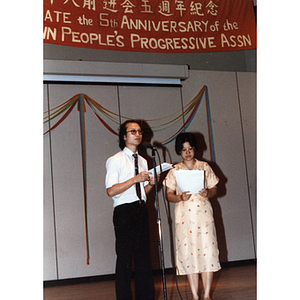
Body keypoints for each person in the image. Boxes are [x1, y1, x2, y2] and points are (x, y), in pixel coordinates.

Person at [164, 132, 221, 300]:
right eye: (183, 150)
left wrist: (207, 192)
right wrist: (180, 197)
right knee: (189, 253)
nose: (187, 153)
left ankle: (207, 295)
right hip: (185, 217)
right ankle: (195, 296)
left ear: (195, 149)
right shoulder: (175, 170)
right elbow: (168, 194)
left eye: (190, 149)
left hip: (203, 215)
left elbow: (215, 188)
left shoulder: (204, 167)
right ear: (179, 152)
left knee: (207, 251)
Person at [105, 119, 156, 300]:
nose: (137, 134)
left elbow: (142, 193)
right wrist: (135, 179)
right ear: (124, 136)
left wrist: (150, 184)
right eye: (133, 131)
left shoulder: (143, 161)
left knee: (144, 259)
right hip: (124, 213)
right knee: (125, 260)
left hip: (140, 209)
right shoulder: (115, 160)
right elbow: (111, 191)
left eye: (140, 131)